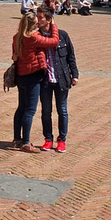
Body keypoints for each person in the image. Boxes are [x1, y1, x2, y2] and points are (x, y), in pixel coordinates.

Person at [11, 11, 59, 152]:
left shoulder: (17, 37)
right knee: (30, 110)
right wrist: (54, 26)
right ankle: (26, 142)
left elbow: (14, 55)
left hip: (21, 75)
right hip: (33, 76)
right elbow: (53, 42)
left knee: (21, 108)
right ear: (32, 25)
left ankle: (17, 139)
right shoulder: (33, 37)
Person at [39, 16, 79, 152]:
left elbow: (71, 56)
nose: (38, 20)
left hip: (61, 78)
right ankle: (48, 139)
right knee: (46, 111)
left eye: (40, 17)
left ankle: (62, 139)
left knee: (62, 110)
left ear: (49, 19)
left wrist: (75, 74)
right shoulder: (37, 36)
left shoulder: (62, 35)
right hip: (45, 80)